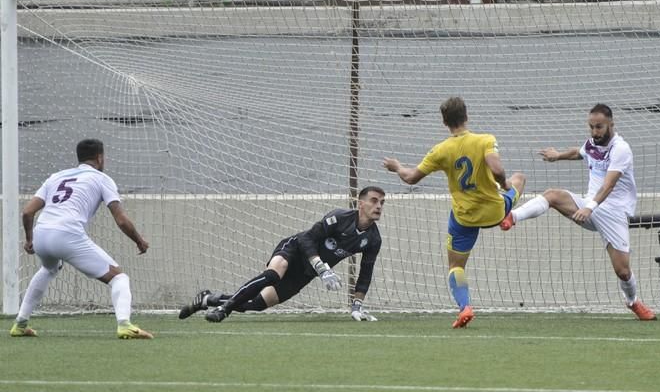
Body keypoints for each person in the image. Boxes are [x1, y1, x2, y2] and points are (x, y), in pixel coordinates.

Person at [500, 103, 656, 320]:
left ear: (611, 123)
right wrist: (558, 155)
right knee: (553, 195)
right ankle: (511, 217)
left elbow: (608, 185)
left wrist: (589, 208)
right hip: (589, 206)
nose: (594, 132)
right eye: (591, 127)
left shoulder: (621, 149)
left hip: (612, 213)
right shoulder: (593, 142)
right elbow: (580, 151)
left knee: (623, 271)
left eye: (599, 127)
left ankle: (633, 302)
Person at [383, 97, 526, 328]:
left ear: (444, 122)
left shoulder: (441, 150)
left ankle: (465, 307)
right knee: (519, 178)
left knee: (456, 266)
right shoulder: (485, 140)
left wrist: (397, 166)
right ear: (466, 116)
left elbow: (410, 178)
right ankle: (510, 217)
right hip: (494, 212)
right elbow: (498, 169)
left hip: (465, 218)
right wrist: (505, 184)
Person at [10, 138, 153, 339]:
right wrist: (139, 240)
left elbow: (27, 212)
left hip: (41, 233)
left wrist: (29, 239)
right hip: (67, 234)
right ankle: (125, 325)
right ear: (100, 158)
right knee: (119, 278)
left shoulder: (56, 177)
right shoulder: (102, 179)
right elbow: (120, 220)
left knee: (49, 268)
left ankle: (20, 324)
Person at [178, 186, 386, 322]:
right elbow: (306, 238)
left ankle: (209, 299)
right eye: (374, 200)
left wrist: (357, 306)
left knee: (257, 305)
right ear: (361, 203)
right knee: (272, 275)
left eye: (382, 202)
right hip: (295, 250)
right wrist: (321, 266)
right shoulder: (339, 217)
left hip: (305, 272)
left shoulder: (373, 239)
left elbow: (365, 272)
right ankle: (224, 310)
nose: (378, 206)